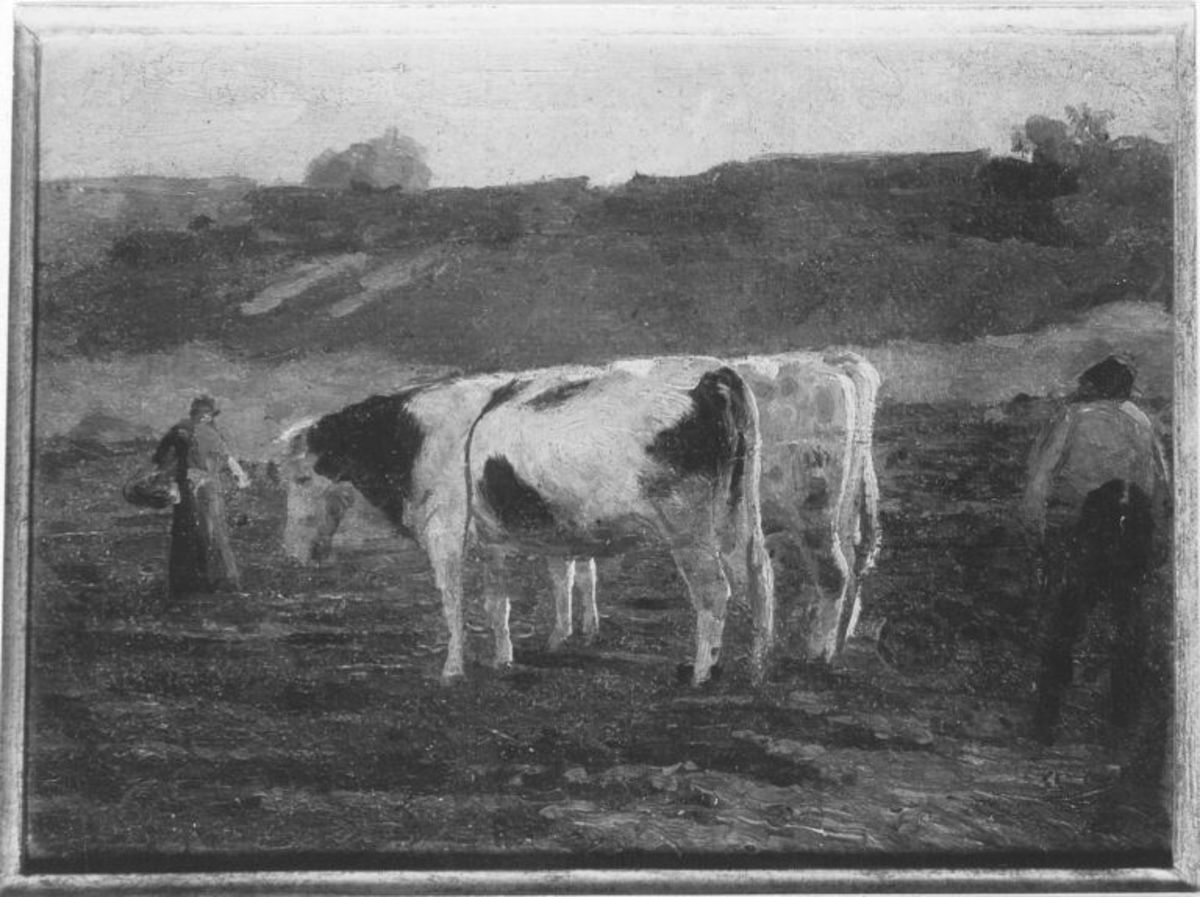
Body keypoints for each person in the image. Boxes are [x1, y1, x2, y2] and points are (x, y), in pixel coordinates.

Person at [1019, 355, 1172, 759]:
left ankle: (1046, 721)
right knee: (1128, 628)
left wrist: (1036, 533)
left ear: (1093, 384)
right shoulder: (1141, 421)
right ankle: (1122, 725)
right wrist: (1158, 539)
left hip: (1084, 530)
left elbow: (1040, 480)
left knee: (1065, 624)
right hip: (1132, 529)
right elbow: (1161, 486)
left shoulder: (1073, 418)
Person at [153, 395, 251, 599]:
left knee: (187, 533)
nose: (209, 418)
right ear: (205, 415)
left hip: (188, 488)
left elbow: (163, 460)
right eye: (209, 414)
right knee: (212, 533)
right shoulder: (206, 433)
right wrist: (241, 476)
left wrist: (168, 483)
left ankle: (187, 584)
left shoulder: (178, 430)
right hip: (205, 488)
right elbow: (228, 459)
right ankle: (220, 582)